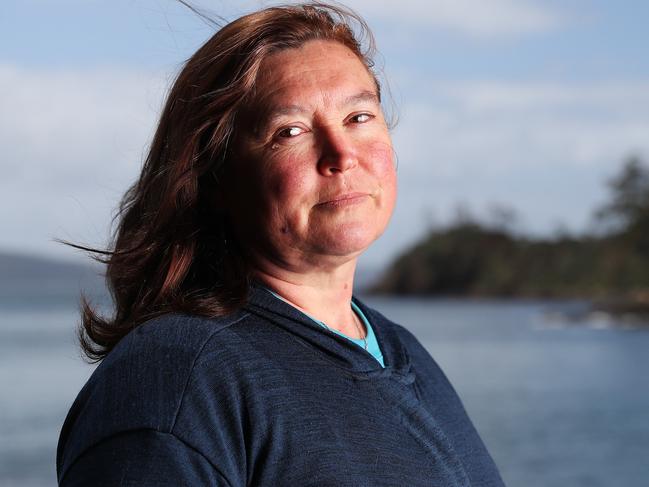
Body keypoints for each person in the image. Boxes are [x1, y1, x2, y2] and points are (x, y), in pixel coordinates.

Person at [56, 3, 505, 486]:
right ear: (212, 179)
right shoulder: (175, 385)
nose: (341, 155)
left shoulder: (400, 350)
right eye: (290, 131)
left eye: (358, 117)